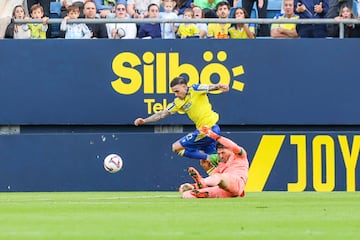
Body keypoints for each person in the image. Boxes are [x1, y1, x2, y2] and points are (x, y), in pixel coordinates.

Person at [134, 76, 229, 168]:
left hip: (208, 129)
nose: (176, 94)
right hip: (207, 132)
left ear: (184, 87)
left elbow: (209, 87)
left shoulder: (195, 89)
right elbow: (162, 114)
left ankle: (209, 158)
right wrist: (145, 120)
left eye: (177, 91)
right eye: (174, 92)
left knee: (176, 147)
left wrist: (218, 86)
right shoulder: (178, 102)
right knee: (210, 166)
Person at [179, 126, 249, 198]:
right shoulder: (221, 165)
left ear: (230, 150)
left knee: (220, 177)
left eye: (223, 153)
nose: (221, 156)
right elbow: (213, 180)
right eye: (219, 154)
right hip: (224, 191)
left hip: (237, 183)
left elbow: (233, 146)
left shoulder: (239, 155)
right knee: (188, 194)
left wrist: (215, 136)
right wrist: (191, 186)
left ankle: (201, 182)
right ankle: (199, 191)